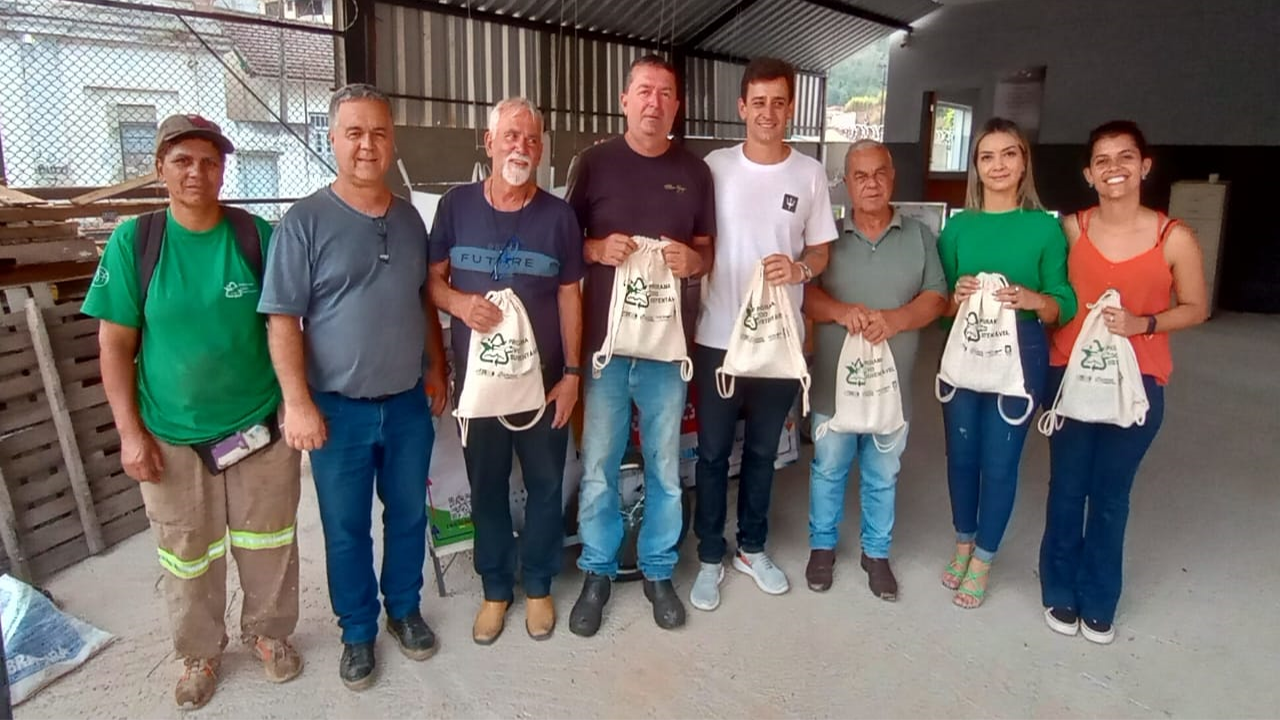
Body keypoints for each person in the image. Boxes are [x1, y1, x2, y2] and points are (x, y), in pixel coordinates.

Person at [83, 114, 302, 709]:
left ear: (223, 168)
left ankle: (270, 635)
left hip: (257, 426)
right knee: (187, 551)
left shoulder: (257, 237)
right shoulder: (137, 242)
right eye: (182, 161)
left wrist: (290, 404)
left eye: (209, 161)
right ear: (160, 170)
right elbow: (114, 345)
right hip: (171, 436)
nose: (197, 172)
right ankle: (198, 651)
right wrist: (130, 435)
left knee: (269, 541)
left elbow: (286, 329)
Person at [258, 84, 448, 689]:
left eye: (379, 133)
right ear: (333, 139)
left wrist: (438, 368)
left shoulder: (411, 217)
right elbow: (282, 318)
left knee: (409, 517)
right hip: (336, 410)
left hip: (407, 401)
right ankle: (358, 632)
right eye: (354, 133)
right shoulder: (304, 222)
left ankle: (405, 610)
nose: (368, 145)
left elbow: (423, 302)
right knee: (345, 528)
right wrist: (297, 402)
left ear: (393, 141)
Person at [1040, 121, 1207, 643]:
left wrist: (1145, 323)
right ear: (1089, 174)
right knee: (1067, 488)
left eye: (1125, 157)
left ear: (1145, 166)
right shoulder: (1071, 229)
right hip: (1069, 376)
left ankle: (1099, 596)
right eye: (1103, 161)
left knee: (1112, 494)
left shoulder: (1172, 236)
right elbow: (1044, 282)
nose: (1115, 168)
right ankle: (1058, 589)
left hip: (1138, 383)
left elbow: (1196, 307)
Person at [566, 54, 715, 635]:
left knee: (665, 467)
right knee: (599, 466)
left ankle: (657, 570)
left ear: (677, 106)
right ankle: (597, 570)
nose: (654, 103)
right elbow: (567, 241)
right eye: (644, 92)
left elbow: (707, 248)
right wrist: (596, 249)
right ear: (624, 100)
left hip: (665, 350)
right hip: (606, 349)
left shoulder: (695, 172)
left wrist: (694, 261)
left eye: (666, 94)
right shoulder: (596, 164)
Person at [429, 97, 585, 644]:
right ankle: (496, 590)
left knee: (546, 486)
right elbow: (432, 282)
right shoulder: (455, 207)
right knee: (486, 486)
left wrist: (571, 374)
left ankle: (538, 586)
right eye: (511, 136)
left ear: (541, 150)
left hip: (542, 388)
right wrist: (457, 304)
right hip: (480, 389)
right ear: (488, 141)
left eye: (532, 139)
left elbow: (570, 297)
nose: (522, 147)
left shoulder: (559, 217)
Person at [689, 57, 836, 611]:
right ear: (741, 108)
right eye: (759, 102)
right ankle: (709, 554)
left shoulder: (810, 172)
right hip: (719, 336)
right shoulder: (715, 166)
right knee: (711, 451)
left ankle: (751, 547)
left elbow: (821, 249)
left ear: (791, 108)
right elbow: (697, 240)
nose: (768, 113)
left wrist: (800, 270)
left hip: (778, 342)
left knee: (762, 452)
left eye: (779, 102)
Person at [937, 117, 1077, 609]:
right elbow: (943, 310)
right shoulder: (958, 228)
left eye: (1008, 154)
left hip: (1021, 352)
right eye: (987, 156)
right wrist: (956, 296)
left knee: (1000, 462)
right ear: (975, 167)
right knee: (962, 456)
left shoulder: (1044, 228)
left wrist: (1035, 298)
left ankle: (984, 557)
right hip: (965, 350)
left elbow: (1064, 301)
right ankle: (962, 541)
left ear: (1024, 162)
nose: (998, 165)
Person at [801, 141, 948, 601]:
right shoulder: (825, 239)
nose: (871, 184)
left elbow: (937, 295)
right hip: (833, 386)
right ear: (846, 184)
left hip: (892, 390)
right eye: (860, 176)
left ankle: (876, 553)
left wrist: (896, 320)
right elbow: (806, 295)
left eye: (879, 174)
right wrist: (842, 312)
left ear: (892, 178)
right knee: (828, 468)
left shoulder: (919, 237)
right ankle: (822, 547)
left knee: (883, 472)